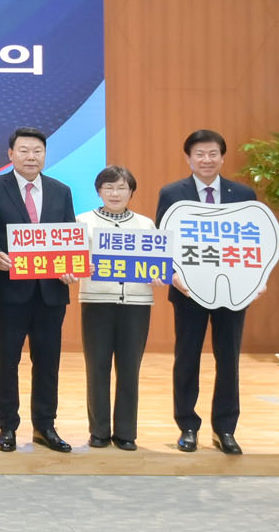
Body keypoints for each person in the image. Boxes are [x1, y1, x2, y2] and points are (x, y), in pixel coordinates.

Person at [155, 129, 258, 455]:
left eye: (213, 153)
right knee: (187, 358)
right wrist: (172, 276)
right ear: (188, 158)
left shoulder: (243, 194)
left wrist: (257, 280)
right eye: (199, 154)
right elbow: (162, 243)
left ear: (222, 157)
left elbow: (254, 244)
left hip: (233, 292)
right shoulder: (172, 194)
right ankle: (187, 426)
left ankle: (225, 429)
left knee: (228, 360)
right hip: (188, 292)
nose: (206, 160)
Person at [0, 126, 76, 453]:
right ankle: (7, 426)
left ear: (45, 154)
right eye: (24, 150)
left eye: (37, 151)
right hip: (8, 292)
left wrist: (71, 267)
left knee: (48, 362)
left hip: (51, 292)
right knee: (7, 361)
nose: (31, 157)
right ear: (10, 154)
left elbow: (69, 237)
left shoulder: (61, 191)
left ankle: (45, 426)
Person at [78, 165, 156, 452]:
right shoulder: (82, 222)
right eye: (108, 187)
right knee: (97, 366)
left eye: (121, 187)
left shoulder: (146, 225)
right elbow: (72, 261)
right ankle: (98, 431)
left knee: (129, 369)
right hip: (96, 302)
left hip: (136, 304)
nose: (115, 193)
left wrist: (158, 274)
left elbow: (156, 263)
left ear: (131, 192)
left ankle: (125, 432)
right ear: (99, 191)